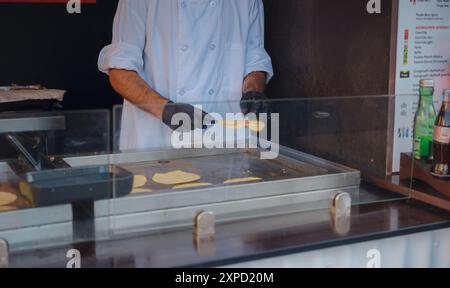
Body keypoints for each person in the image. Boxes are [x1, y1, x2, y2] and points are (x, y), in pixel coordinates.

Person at [98, 0, 273, 150]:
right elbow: (120, 69)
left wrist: (253, 90)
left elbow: (254, 59)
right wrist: (165, 110)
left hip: (226, 139)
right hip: (157, 140)